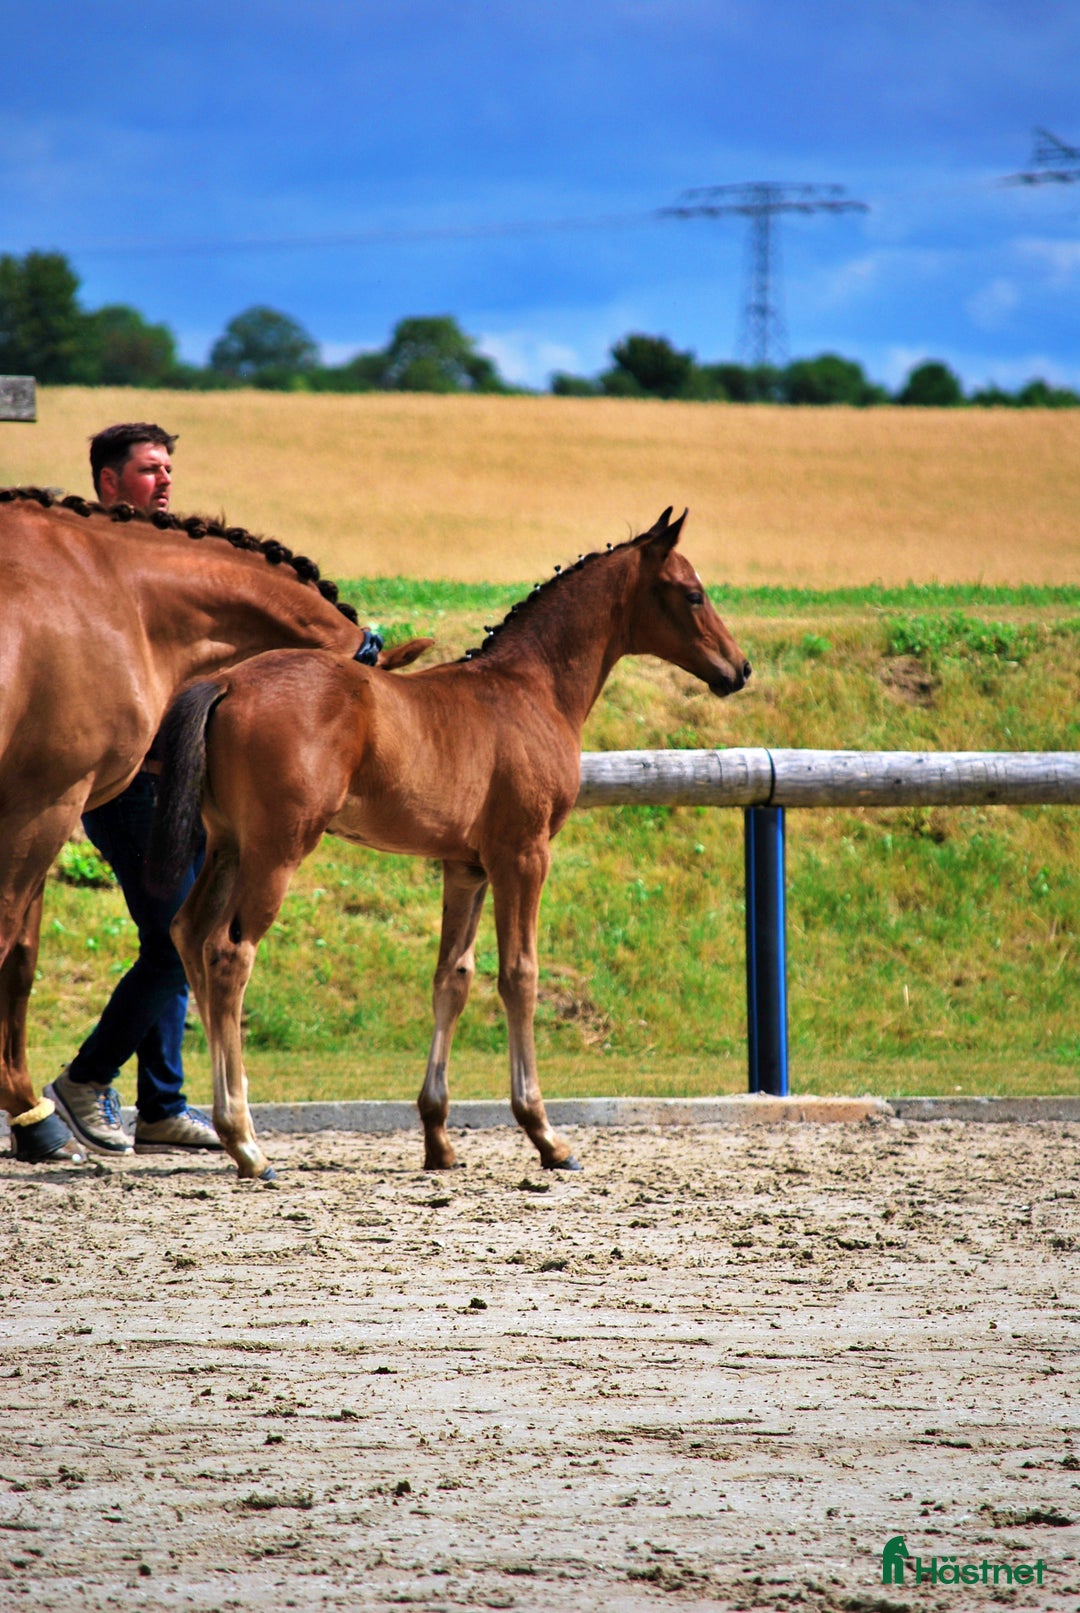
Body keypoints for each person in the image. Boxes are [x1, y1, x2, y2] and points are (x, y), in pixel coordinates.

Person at [46, 424, 223, 1157]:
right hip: (127, 782)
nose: (166, 479)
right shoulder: (89, 559)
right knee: (184, 940)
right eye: (151, 469)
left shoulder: (172, 554)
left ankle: (161, 1106)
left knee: (173, 937)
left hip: (179, 780)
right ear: (109, 482)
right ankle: (85, 1080)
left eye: (170, 467)